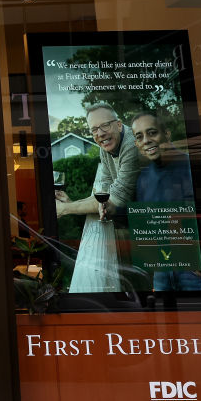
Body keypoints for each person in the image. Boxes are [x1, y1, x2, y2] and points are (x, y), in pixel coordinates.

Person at [55, 102, 141, 292]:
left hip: (155, 224)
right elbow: (105, 194)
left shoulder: (132, 146)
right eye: (94, 129)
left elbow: (115, 199)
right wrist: (72, 203)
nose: (100, 133)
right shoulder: (107, 146)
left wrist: (65, 209)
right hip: (134, 222)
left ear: (118, 125)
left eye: (105, 125)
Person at [130, 111, 201, 291]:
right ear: (136, 144)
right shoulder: (143, 179)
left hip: (193, 273)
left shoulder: (192, 168)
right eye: (139, 137)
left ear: (167, 134)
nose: (146, 140)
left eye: (152, 132)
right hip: (161, 272)